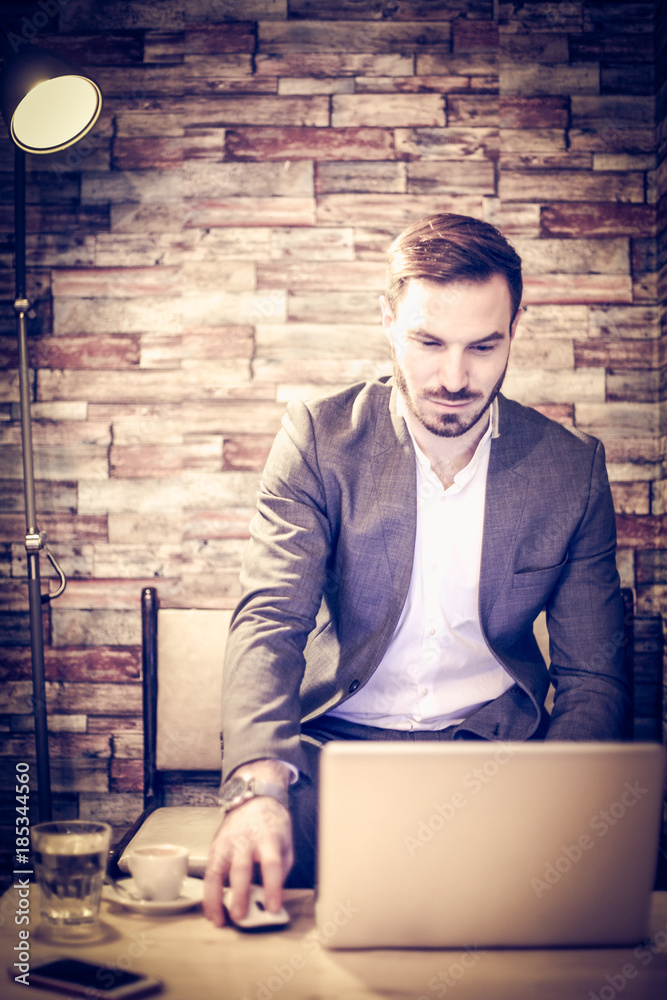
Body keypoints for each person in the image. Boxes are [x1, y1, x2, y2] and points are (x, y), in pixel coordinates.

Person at [203, 213, 631, 927]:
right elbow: (270, 619)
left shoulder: (571, 469)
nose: (454, 379)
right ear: (387, 319)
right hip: (334, 755)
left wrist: (561, 800)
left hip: (496, 760)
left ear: (514, 328)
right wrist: (255, 788)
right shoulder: (317, 438)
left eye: (483, 347)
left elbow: (591, 676)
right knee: (264, 908)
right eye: (427, 342)